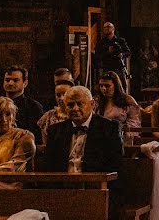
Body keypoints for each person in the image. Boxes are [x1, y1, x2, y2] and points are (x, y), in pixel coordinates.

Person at [45, 86, 122, 218]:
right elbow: (48, 165)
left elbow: (116, 165)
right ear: (64, 106)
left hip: (96, 190)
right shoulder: (55, 131)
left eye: (80, 104)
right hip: (62, 191)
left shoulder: (109, 128)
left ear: (92, 104)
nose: (75, 108)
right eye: (70, 105)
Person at [2, 65, 44, 144]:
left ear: (25, 83)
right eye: (7, 80)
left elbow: (37, 137)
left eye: (15, 80)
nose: (10, 83)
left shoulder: (34, 107)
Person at [38, 79, 74, 146]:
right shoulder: (48, 116)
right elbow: (46, 144)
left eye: (65, 94)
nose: (61, 98)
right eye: (58, 95)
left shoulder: (77, 114)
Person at [95, 22, 131, 89]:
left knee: (121, 86)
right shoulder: (101, 42)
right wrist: (107, 52)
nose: (106, 29)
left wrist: (122, 54)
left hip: (118, 67)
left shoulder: (120, 41)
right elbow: (97, 56)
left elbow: (128, 52)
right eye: (105, 27)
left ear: (113, 28)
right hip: (106, 68)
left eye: (108, 27)